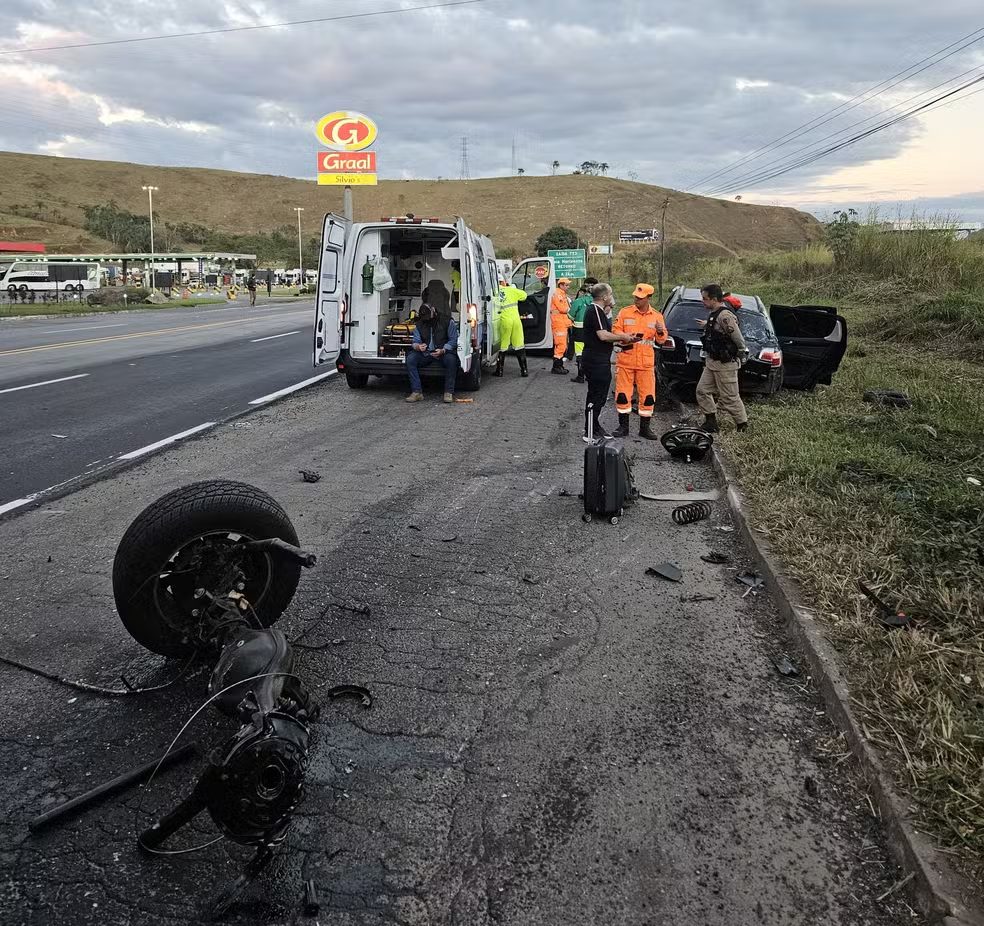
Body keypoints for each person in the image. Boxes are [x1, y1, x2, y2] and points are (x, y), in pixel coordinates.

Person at [580, 282, 636, 441]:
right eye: (610, 294)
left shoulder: (599, 311)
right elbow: (603, 335)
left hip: (599, 359)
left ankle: (595, 426)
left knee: (599, 396)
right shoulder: (595, 311)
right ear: (604, 297)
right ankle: (589, 431)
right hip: (595, 361)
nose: (612, 297)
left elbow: (602, 337)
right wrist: (623, 336)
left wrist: (620, 342)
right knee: (596, 396)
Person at [611, 283, 667, 440]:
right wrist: (625, 336)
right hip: (626, 361)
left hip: (645, 364)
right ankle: (623, 427)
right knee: (623, 395)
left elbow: (661, 340)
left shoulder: (657, 316)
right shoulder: (625, 312)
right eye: (636, 297)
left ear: (649, 298)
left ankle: (645, 428)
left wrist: (660, 331)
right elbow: (615, 330)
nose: (637, 299)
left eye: (640, 298)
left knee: (648, 397)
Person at [695, 283, 749, 433]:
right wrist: (707, 325)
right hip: (712, 362)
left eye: (705, 299)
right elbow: (716, 329)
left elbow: (738, 340)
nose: (702, 301)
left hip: (725, 364)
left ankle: (742, 425)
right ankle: (711, 422)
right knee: (702, 391)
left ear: (714, 299)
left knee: (730, 397)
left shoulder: (725, 316)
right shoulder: (714, 314)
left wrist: (739, 354)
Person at [405, 300, 459, 404]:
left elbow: (453, 340)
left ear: (433, 311)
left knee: (451, 360)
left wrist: (443, 349)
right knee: (411, 359)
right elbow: (415, 342)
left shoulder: (447, 321)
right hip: (426, 353)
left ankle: (449, 392)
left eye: (428, 317)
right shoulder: (419, 324)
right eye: (425, 318)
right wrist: (418, 347)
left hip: (443, 352)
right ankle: (417, 392)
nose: (427, 320)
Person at [494, 278, 530, 377]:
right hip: (516, 321)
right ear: (504, 282)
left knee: (503, 346)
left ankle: (499, 371)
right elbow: (524, 296)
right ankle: (524, 370)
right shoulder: (511, 290)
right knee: (519, 345)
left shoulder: (494, 292)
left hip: (504, 321)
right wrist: (511, 287)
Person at [568, 276, 597, 383]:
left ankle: (580, 376)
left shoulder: (578, 301)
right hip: (594, 331)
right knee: (591, 352)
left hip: (579, 331)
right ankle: (591, 375)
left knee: (580, 353)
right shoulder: (598, 302)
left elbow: (570, 316)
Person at [549, 278, 572, 374]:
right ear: (561, 285)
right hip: (559, 323)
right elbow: (563, 308)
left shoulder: (561, 294)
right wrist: (571, 309)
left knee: (562, 344)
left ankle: (559, 365)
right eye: (566, 285)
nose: (568, 287)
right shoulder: (558, 294)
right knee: (561, 345)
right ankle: (556, 367)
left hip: (562, 322)